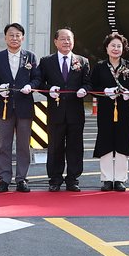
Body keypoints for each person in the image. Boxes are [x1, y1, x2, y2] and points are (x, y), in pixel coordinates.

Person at [36, 27, 90, 191]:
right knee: (55, 146)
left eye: (69, 39)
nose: (66, 42)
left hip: (75, 111)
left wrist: (84, 90)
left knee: (75, 146)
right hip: (55, 111)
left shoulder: (82, 61)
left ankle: (73, 179)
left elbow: (88, 83)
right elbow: (38, 82)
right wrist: (49, 90)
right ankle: (55, 179)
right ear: (55, 41)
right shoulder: (46, 61)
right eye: (63, 39)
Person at [0, 23, 39, 193]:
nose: (14, 38)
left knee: (23, 145)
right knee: (4, 144)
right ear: (5, 38)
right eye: (11, 35)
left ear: (23, 38)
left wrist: (30, 86)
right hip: (5, 106)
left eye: (18, 35)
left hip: (25, 106)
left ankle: (22, 178)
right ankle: (4, 178)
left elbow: (37, 79)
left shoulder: (30, 57)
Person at [92, 32, 129, 191]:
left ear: (123, 48)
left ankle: (120, 179)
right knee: (105, 141)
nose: (116, 49)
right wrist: (105, 91)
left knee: (122, 141)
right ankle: (106, 178)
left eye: (119, 46)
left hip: (124, 110)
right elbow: (92, 87)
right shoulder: (99, 67)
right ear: (106, 48)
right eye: (113, 46)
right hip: (105, 109)